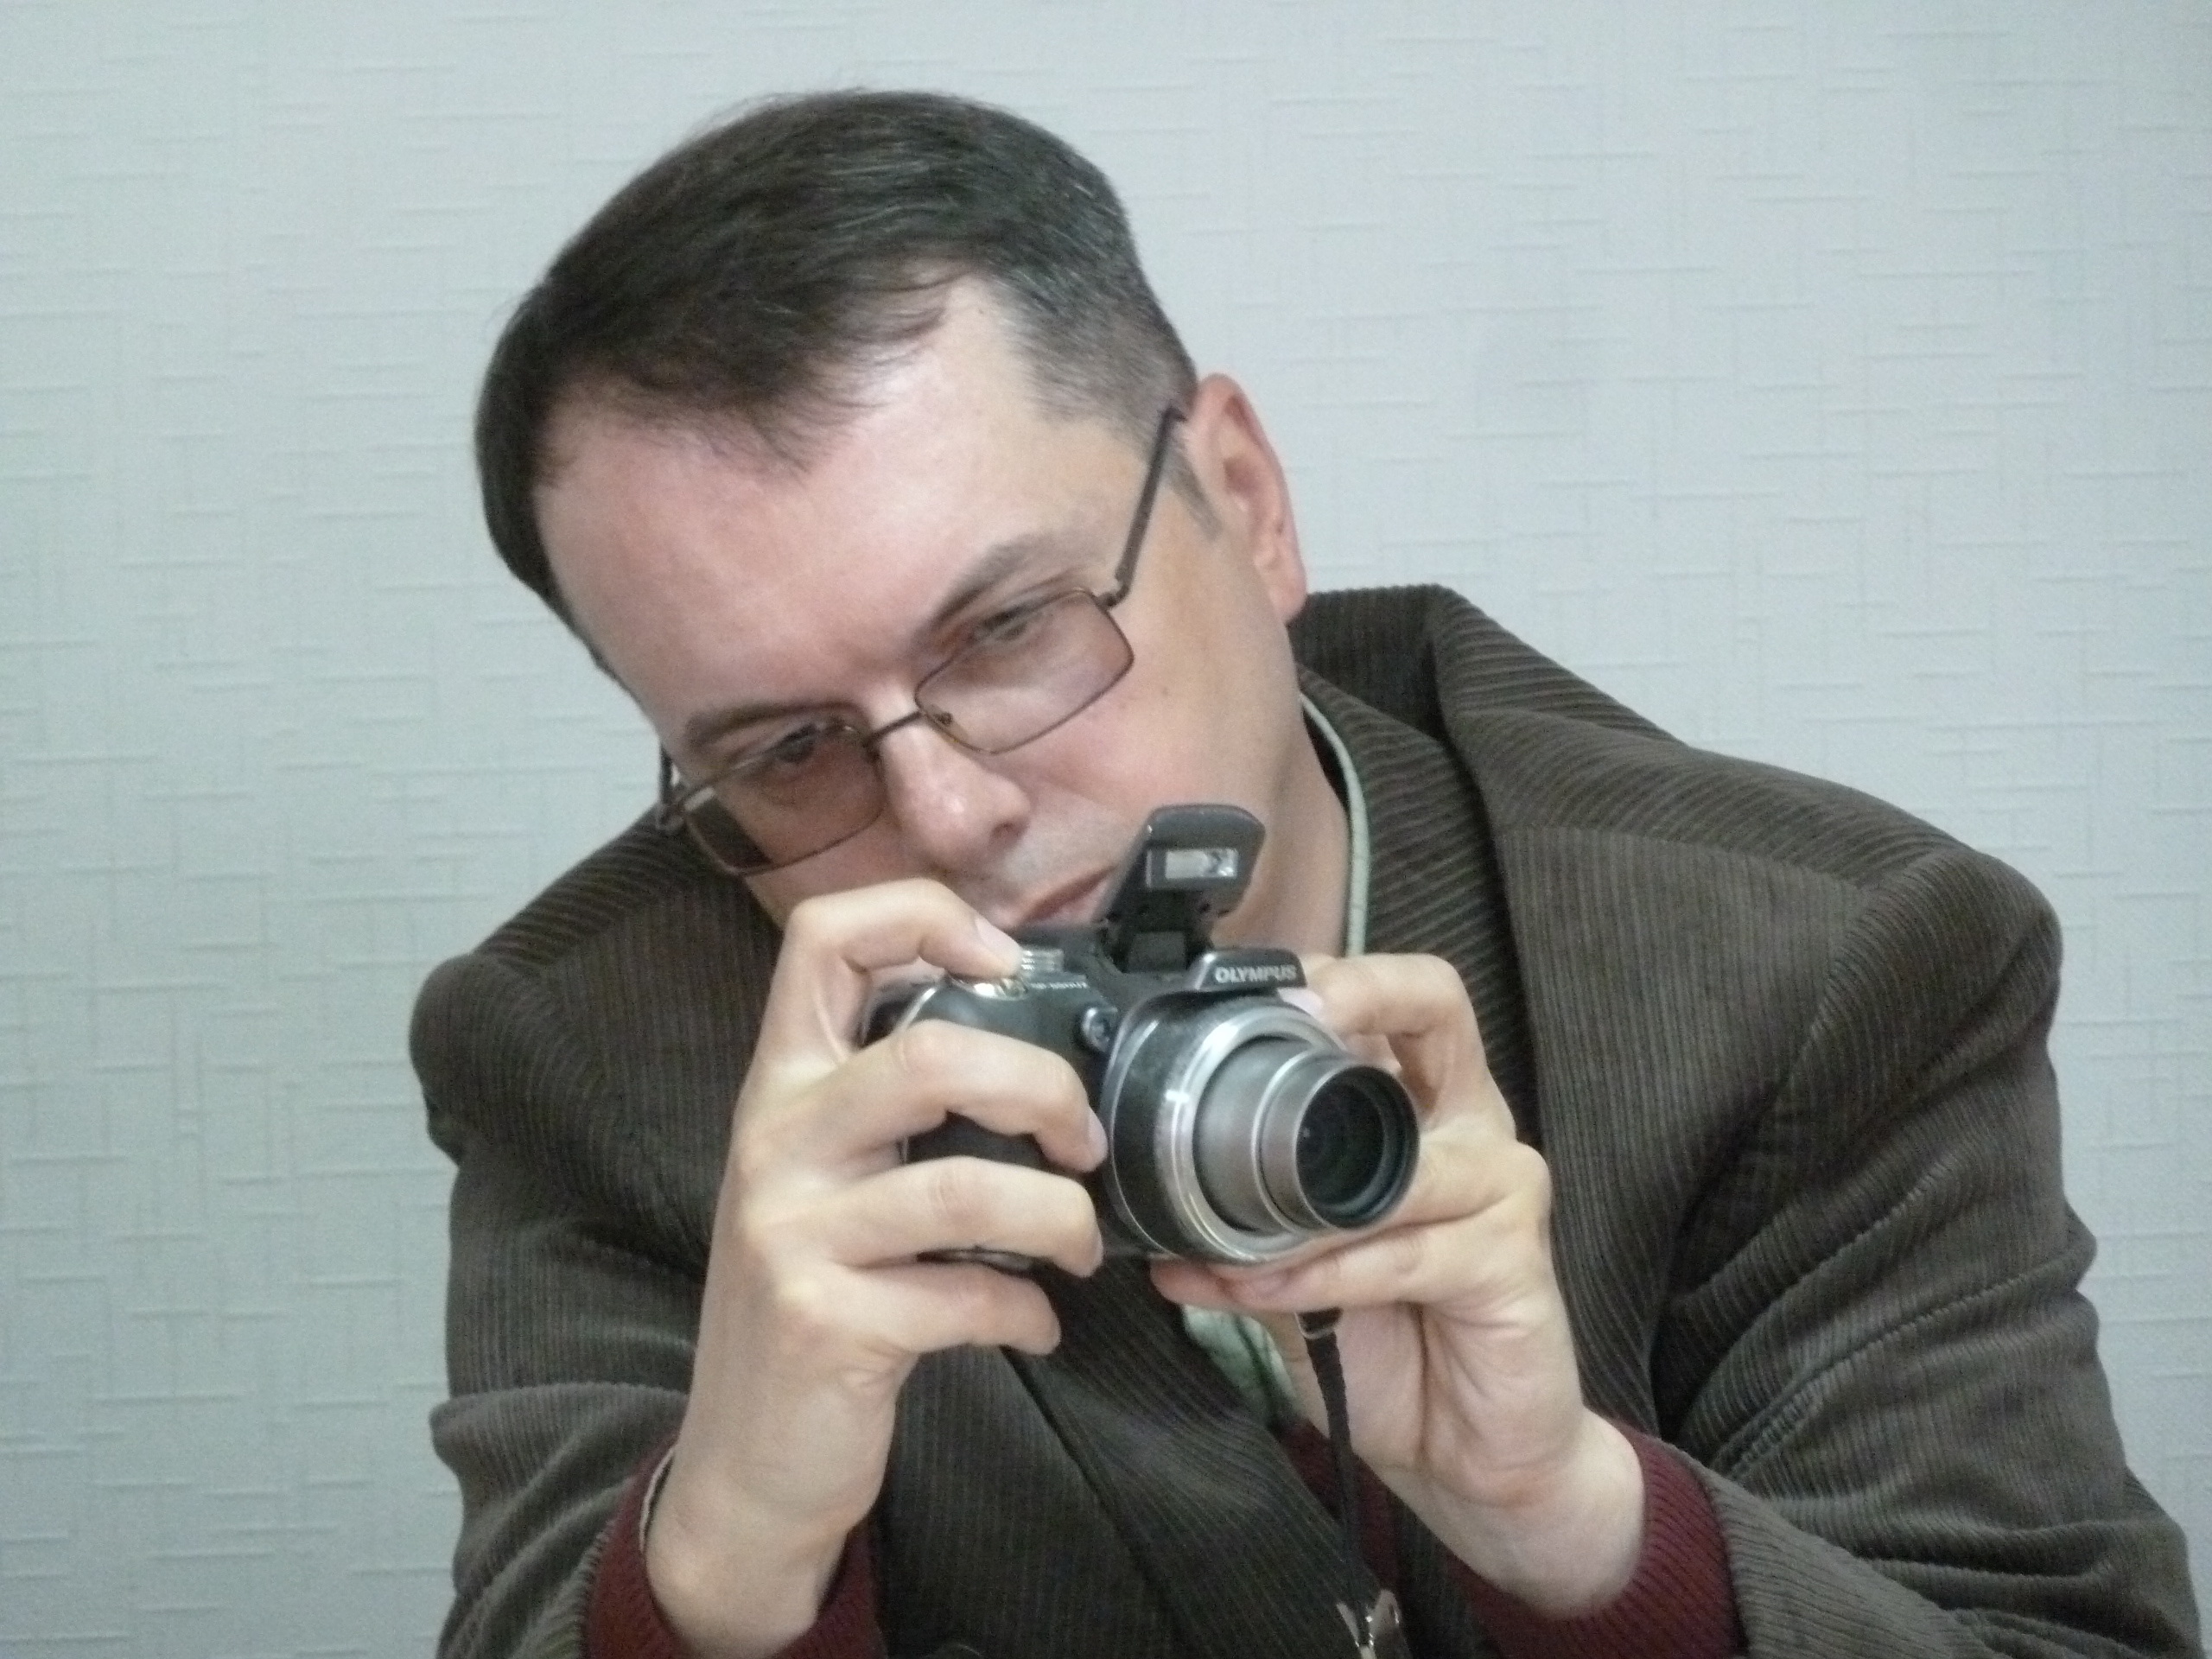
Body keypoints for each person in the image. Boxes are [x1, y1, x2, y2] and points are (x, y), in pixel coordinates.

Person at [413, 89, 2201, 1659]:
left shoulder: (1819, 961)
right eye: (790, 749)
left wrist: (1579, 1530)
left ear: (1247, 502)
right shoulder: (595, 1054)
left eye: (1012, 629)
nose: (946, 813)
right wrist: (721, 1564)